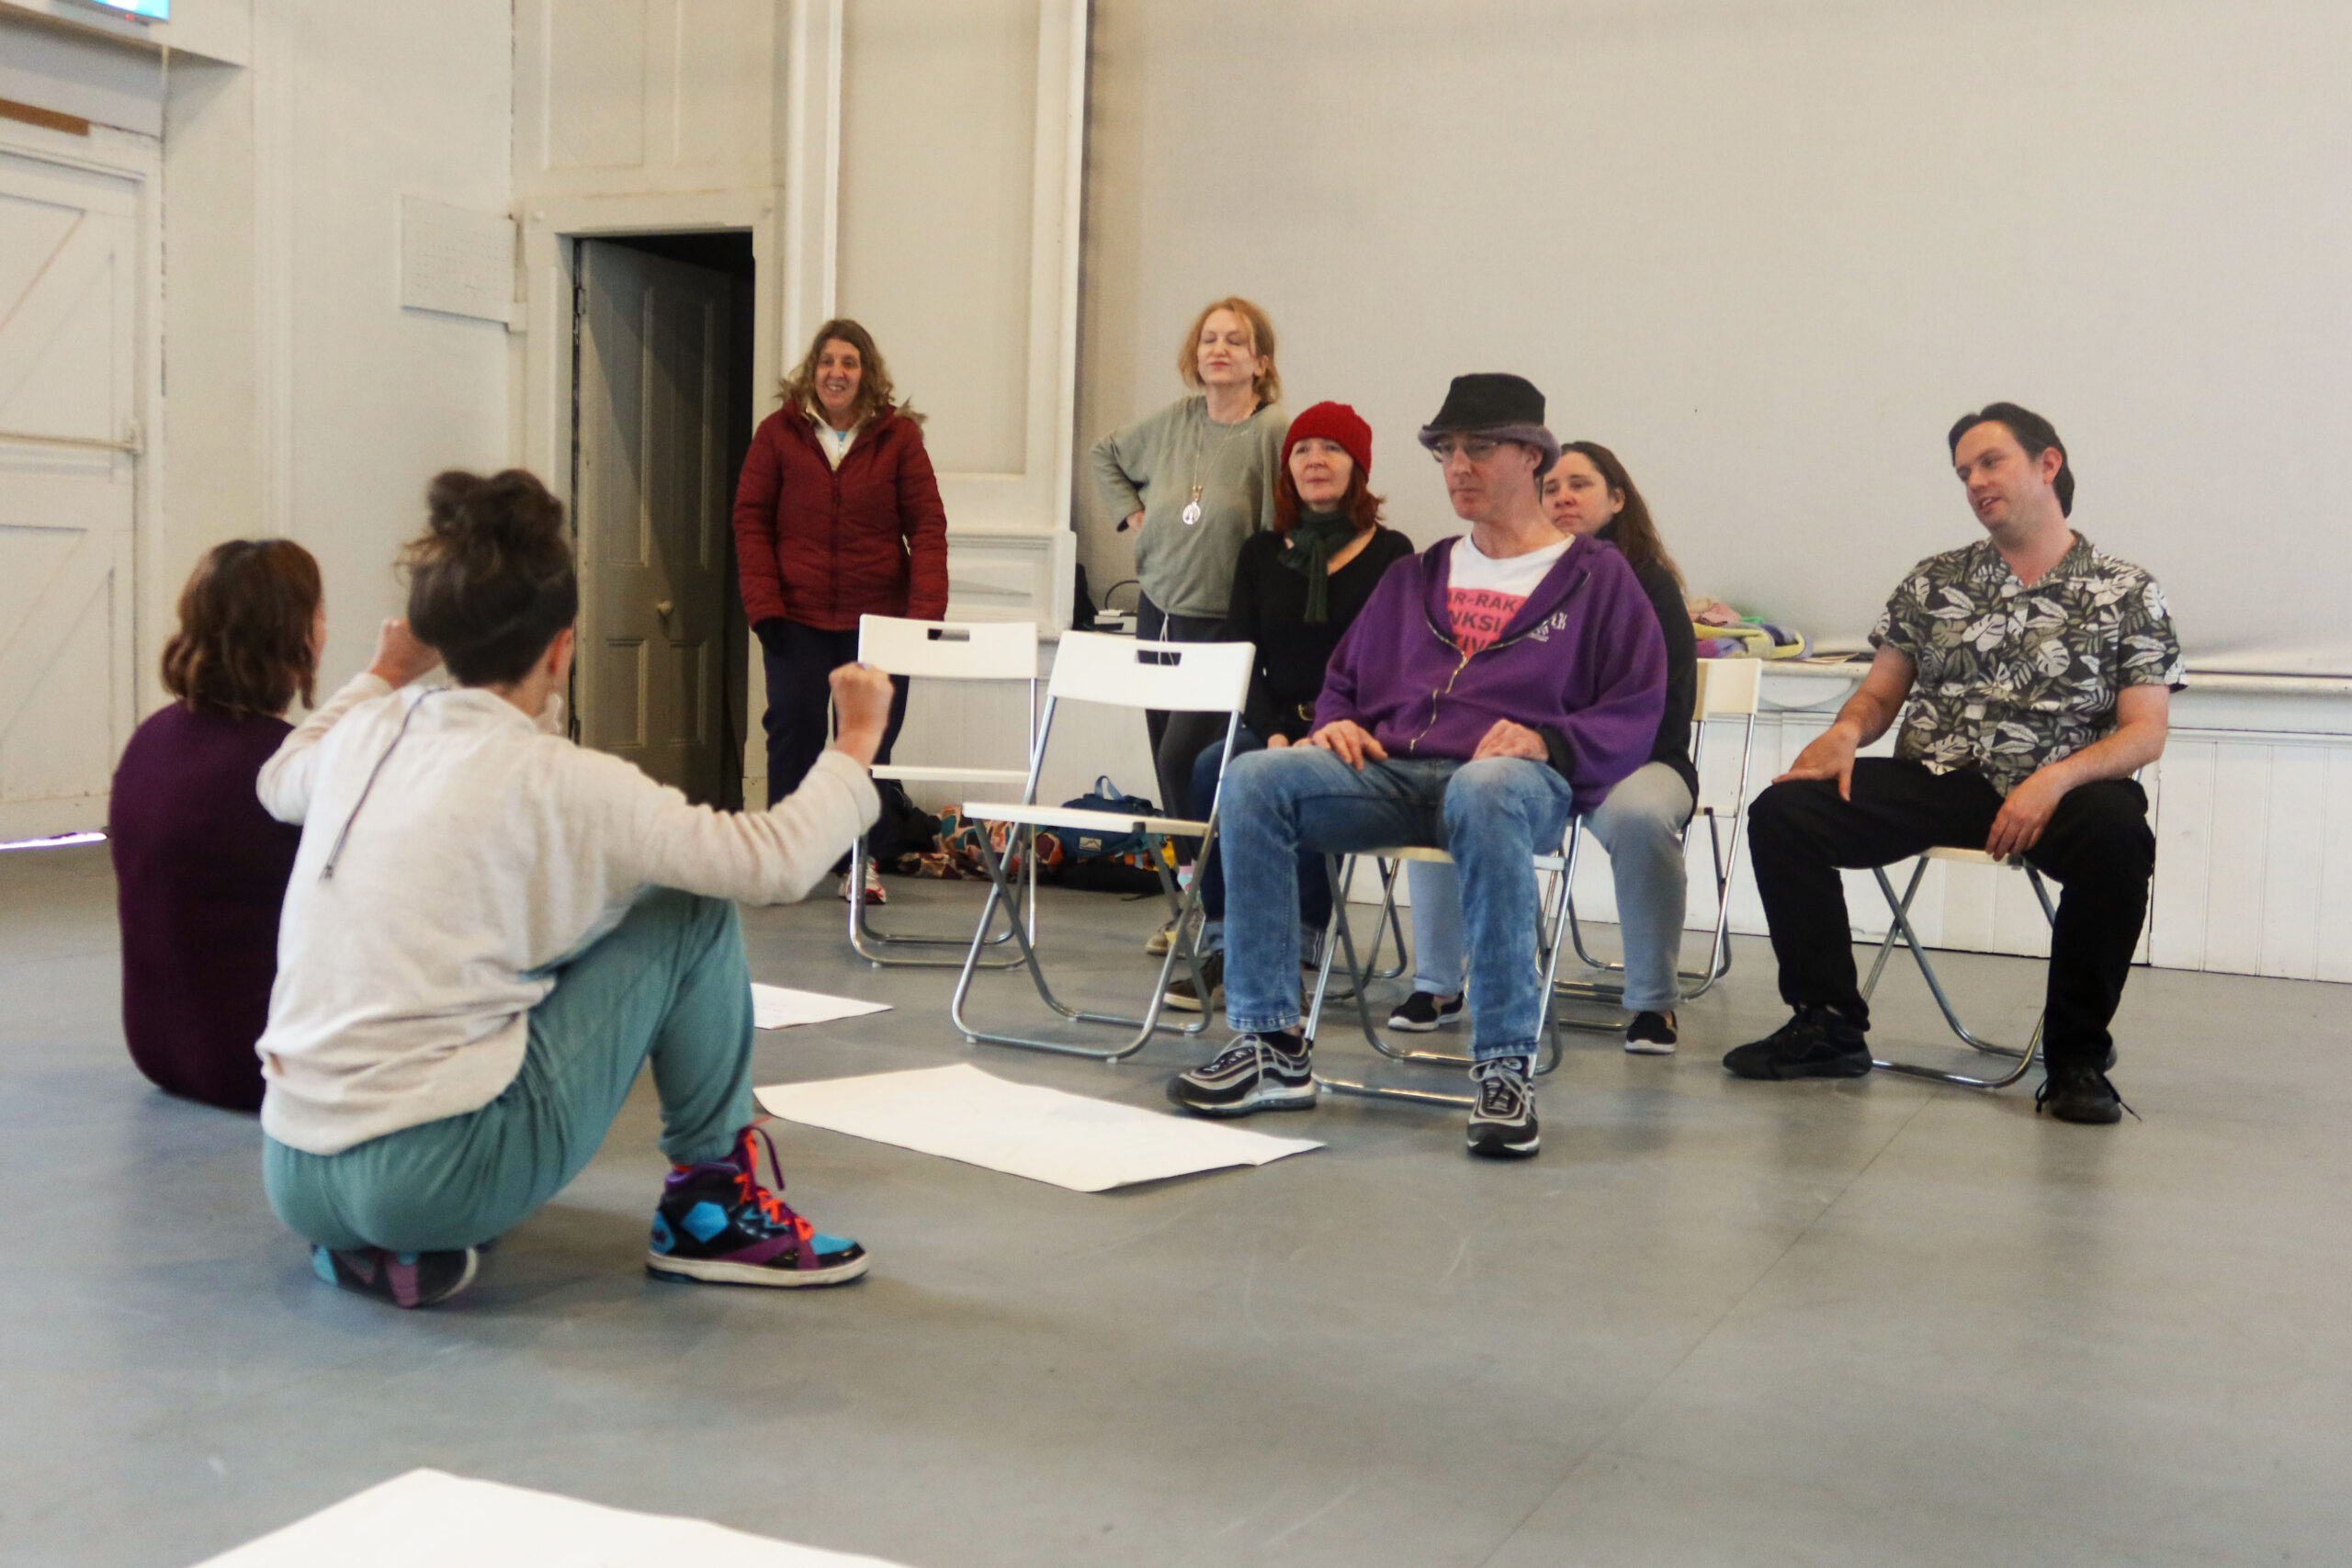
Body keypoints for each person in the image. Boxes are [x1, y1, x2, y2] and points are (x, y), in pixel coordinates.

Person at [257, 469, 893, 1309]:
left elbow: (279, 777)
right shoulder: (564, 780)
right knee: (689, 906)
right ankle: (712, 1205)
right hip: (428, 1176)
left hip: (295, 1172)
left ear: (439, 636)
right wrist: (852, 742)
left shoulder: (366, 734)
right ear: (562, 646)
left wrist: (382, 670)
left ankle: (379, 1250)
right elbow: (771, 862)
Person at [1165, 375, 1666, 1159]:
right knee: (1254, 777)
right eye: (1445, 451)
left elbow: (1639, 702)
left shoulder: (1598, 579)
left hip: (1511, 783)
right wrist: (1334, 727)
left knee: (1489, 783)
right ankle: (1271, 1044)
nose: (1458, 465)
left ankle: (1504, 1067)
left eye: (1479, 447)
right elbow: (1344, 683)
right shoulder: (1418, 574)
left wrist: (1549, 742)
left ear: (1533, 454)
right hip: (1396, 775)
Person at [1723, 404, 2181, 1125]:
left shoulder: (2127, 589)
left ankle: (2076, 1059)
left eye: (1990, 462)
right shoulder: (1935, 580)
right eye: (1964, 472)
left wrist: (2052, 780)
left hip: (2058, 788)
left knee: (2118, 835)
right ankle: (1827, 1024)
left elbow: (2145, 731)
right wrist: (1847, 730)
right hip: (1936, 777)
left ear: (2047, 464)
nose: (1974, 481)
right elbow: (1880, 691)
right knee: (1786, 813)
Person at [1396, 442, 1699, 1051]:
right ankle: (1437, 982)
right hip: (1527, 758)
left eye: (1580, 485)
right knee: (1451, 786)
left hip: (1633, 758)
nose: (1561, 496)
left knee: (1641, 816)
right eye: (1552, 486)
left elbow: (1659, 707)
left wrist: (1569, 744)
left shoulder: (1648, 585)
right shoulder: (1519, 575)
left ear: (1617, 500)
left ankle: (1651, 1002)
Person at [1161, 400, 1415, 1012]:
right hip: (1276, 722)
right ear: (1287, 469)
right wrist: (1273, 730)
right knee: (1210, 766)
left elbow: (1401, 663)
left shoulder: (1393, 553)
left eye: (1331, 448)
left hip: (1358, 731)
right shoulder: (1260, 552)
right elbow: (1242, 655)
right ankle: (1224, 943)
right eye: (1302, 449)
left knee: (1299, 782)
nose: (1315, 460)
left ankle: (1298, 950)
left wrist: (1331, 729)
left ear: (1358, 467)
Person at [1088, 296, 1289, 937]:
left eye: (1235, 340)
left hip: (1223, 623)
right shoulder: (1174, 420)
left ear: (1260, 361)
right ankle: (1195, 902)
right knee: (1166, 765)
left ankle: (1218, 904)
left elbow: (1275, 526)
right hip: (1159, 612)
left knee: (1185, 763)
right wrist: (1136, 517)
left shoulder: (1272, 429)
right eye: (1208, 340)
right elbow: (1105, 455)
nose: (1219, 350)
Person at [732, 317, 946, 905]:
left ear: (866, 374)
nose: (836, 372)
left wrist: (922, 620)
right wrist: (764, 606)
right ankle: (787, 861)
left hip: (879, 621)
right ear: (813, 370)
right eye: (827, 361)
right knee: (793, 733)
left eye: (849, 362)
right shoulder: (777, 434)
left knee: (868, 745)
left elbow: (927, 529)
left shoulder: (898, 438)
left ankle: (862, 861)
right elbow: (750, 521)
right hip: (794, 616)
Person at [107, 540, 323, 1112]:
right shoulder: (279, 769)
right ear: (296, 632)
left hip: (157, 1048)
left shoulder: (150, 740)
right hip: (257, 1065)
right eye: (319, 614)